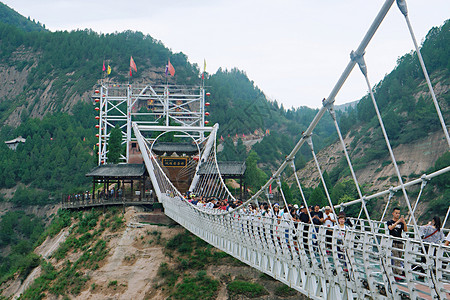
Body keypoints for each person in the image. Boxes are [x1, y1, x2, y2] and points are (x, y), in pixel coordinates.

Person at [386, 207, 407, 277]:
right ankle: (399, 273)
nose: (397, 215)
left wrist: (404, 222)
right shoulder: (389, 222)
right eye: (396, 213)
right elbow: (390, 228)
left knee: (399, 258)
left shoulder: (401, 223)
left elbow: (405, 230)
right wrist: (397, 222)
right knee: (396, 257)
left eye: (398, 213)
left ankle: (395, 272)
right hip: (393, 242)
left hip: (400, 242)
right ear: (393, 213)